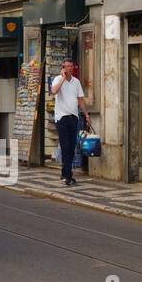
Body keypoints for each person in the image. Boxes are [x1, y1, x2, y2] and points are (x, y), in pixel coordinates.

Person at [51, 58, 89, 186]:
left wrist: (86, 115)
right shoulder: (58, 79)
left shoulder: (76, 82)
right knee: (65, 146)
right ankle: (68, 176)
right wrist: (62, 78)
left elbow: (81, 100)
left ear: (73, 68)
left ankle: (64, 172)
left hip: (74, 117)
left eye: (70, 66)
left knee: (71, 147)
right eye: (66, 66)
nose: (68, 68)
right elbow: (54, 91)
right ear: (63, 68)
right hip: (61, 118)